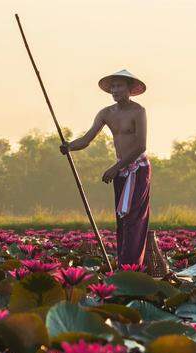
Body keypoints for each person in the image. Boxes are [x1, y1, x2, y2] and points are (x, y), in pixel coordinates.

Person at [60, 69, 150, 267]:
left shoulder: (138, 111)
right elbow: (86, 139)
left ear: (130, 89)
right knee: (121, 217)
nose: (115, 90)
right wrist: (69, 147)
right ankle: (123, 264)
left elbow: (141, 146)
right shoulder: (106, 113)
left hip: (138, 168)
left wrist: (115, 168)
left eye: (119, 86)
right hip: (121, 169)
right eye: (113, 87)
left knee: (132, 217)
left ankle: (131, 266)